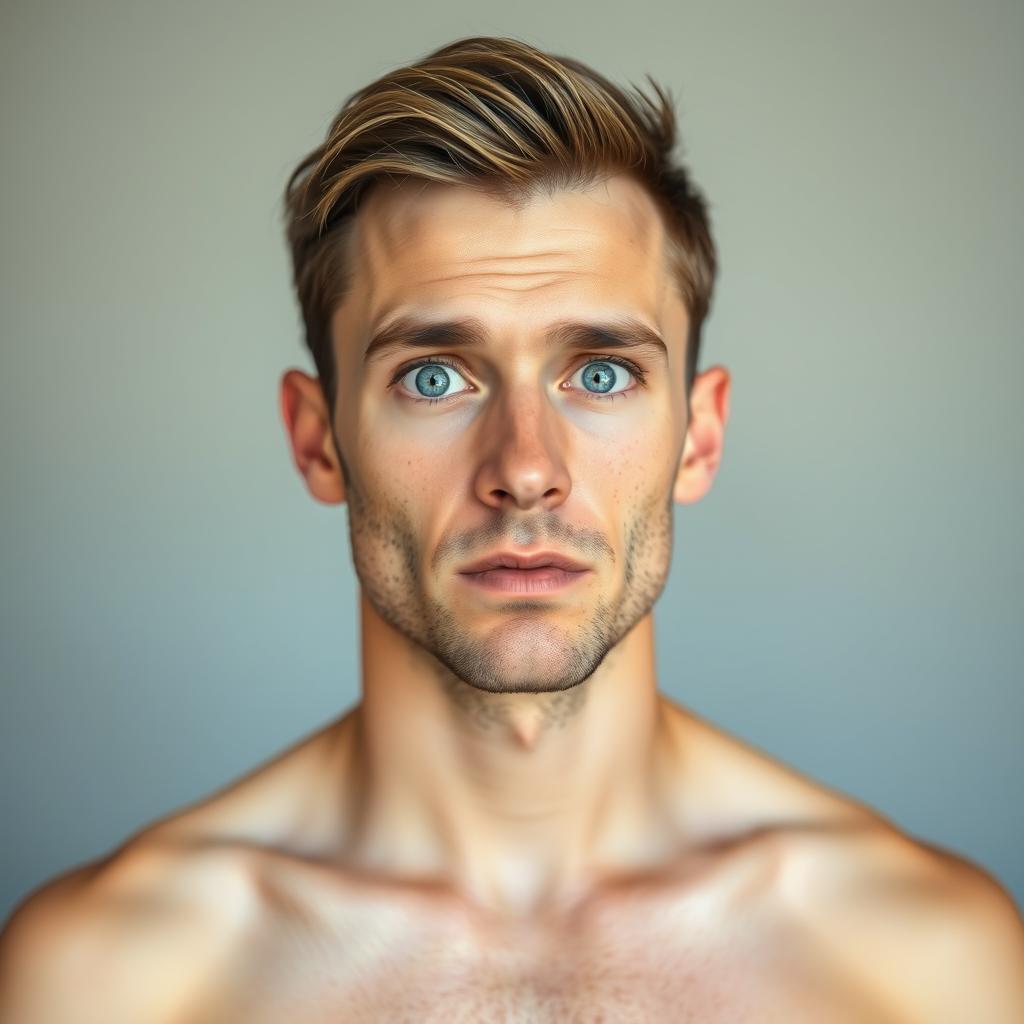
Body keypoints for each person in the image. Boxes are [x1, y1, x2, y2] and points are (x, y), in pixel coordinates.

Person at [1, 34, 1022, 1023]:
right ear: (317, 441)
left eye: (602, 372)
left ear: (699, 437)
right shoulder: (111, 979)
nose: (525, 468)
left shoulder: (924, 960)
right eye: (434, 377)